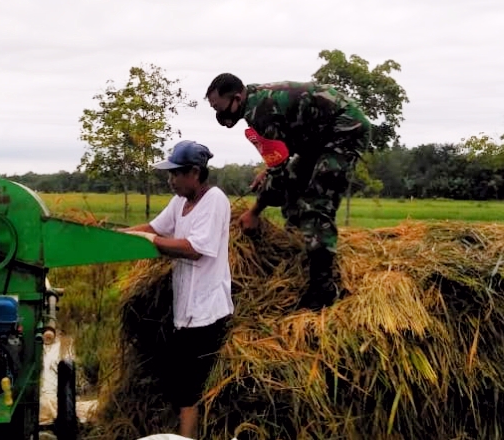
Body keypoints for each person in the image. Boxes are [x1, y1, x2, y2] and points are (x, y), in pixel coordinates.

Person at [205, 73, 371, 310]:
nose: (218, 114)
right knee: (293, 183)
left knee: (316, 203)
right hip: (317, 136)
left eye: (219, 107)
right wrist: (268, 169)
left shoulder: (259, 111)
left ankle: (322, 288)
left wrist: (255, 211)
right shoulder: (253, 98)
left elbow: (279, 175)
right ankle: (298, 247)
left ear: (237, 97)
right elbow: (282, 150)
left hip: (344, 129)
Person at [123, 140, 233, 439]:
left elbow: (194, 249)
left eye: (175, 174)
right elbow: (154, 229)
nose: (170, 180)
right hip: (185, 311)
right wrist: (117, 236)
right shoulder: (179, 202)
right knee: (177, 383)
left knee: (190, 389)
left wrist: (153, 244)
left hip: (207, 313)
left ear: (194, 172)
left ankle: (187, 437)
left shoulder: (215, 200)